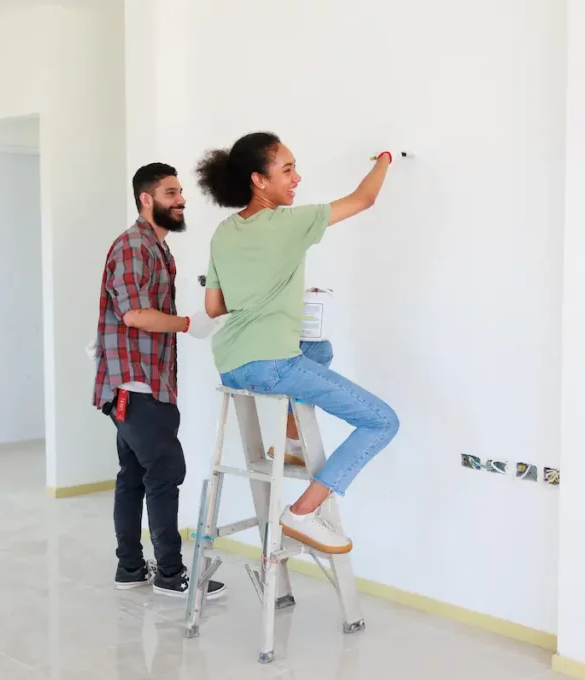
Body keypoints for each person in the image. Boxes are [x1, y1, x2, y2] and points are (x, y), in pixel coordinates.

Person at [196, 133, 400, 554]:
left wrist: (274, 295)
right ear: (258, 180)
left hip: (231, 362)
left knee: (318, 349)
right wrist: (385, 158)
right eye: (287, 170)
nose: (296, 177)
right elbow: (363, 199)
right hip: (271, 364)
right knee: (382, 421)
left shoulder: (223, 232)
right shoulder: (290, 223)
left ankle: (290, 442)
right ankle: (303, 513)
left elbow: (214, 306)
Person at [91, 162, 225, 599]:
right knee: (165, 471)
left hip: (142, 384)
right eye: (171, 193)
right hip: (136, 386)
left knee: (134, 474)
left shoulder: (158, 248)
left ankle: (130, 568)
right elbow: (134, 315)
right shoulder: (134, 246)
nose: (181, 200)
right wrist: (189, 322)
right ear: (146, 199)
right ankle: (171, 574)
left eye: (180, 192)